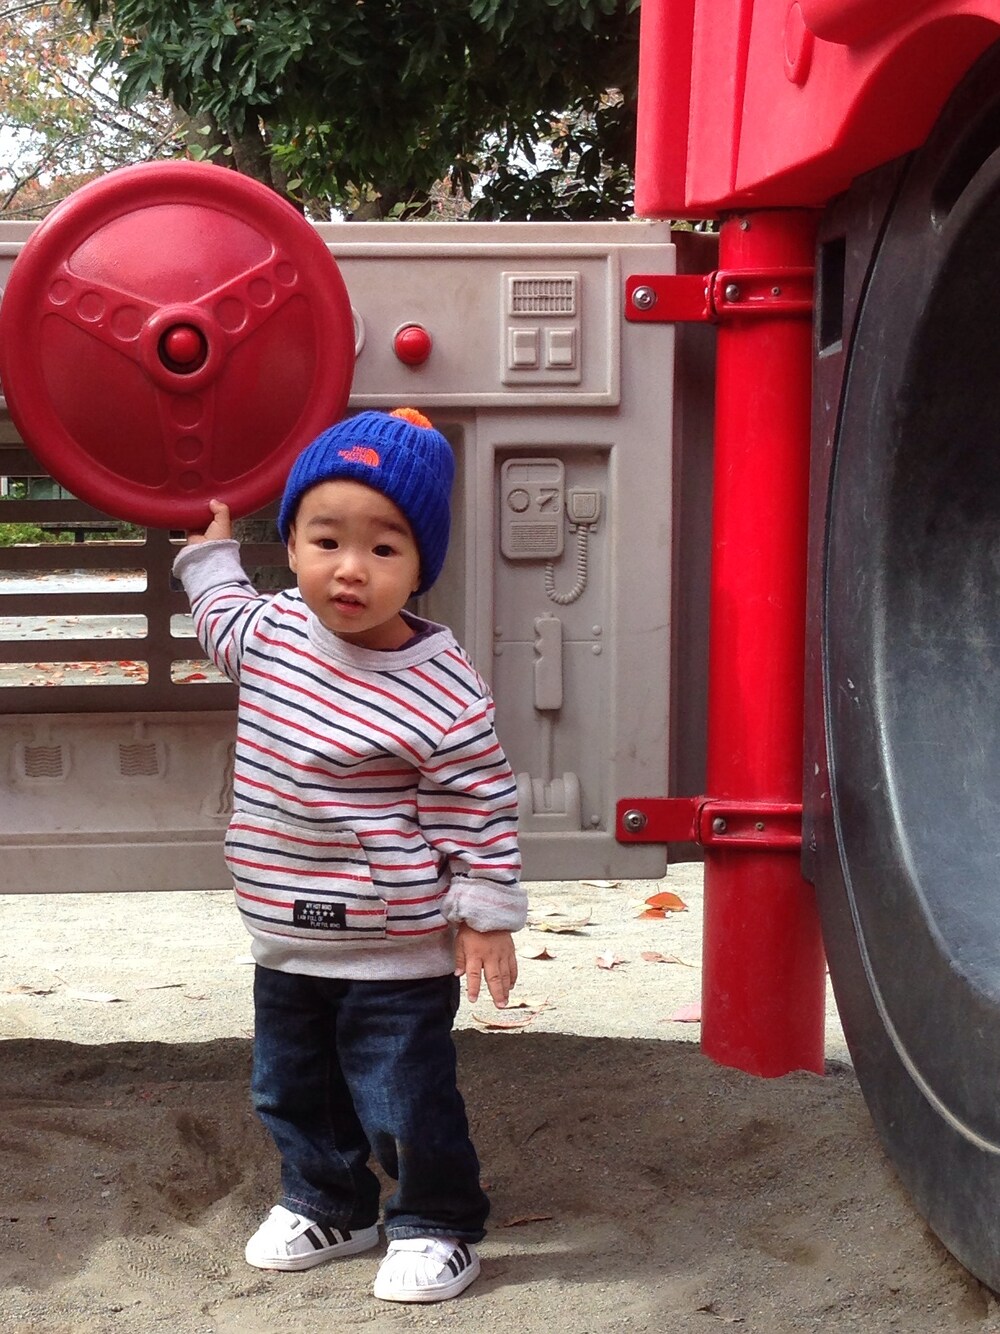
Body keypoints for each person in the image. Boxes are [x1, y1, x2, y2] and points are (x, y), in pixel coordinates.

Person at [173, 407, 525, 1304]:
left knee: (403, 1096)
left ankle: (437, 1219)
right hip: (285, 934)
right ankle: (329, 1203)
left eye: (384, 548)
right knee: (292, 1089)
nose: (351, 569)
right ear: (291, 545)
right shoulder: (270, 634)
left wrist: (484, 914)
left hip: (394, 943)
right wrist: (210, 553)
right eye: (326, 540)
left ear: (420, 566)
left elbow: (477, 802)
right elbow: (219, 612)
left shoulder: (440, 686)